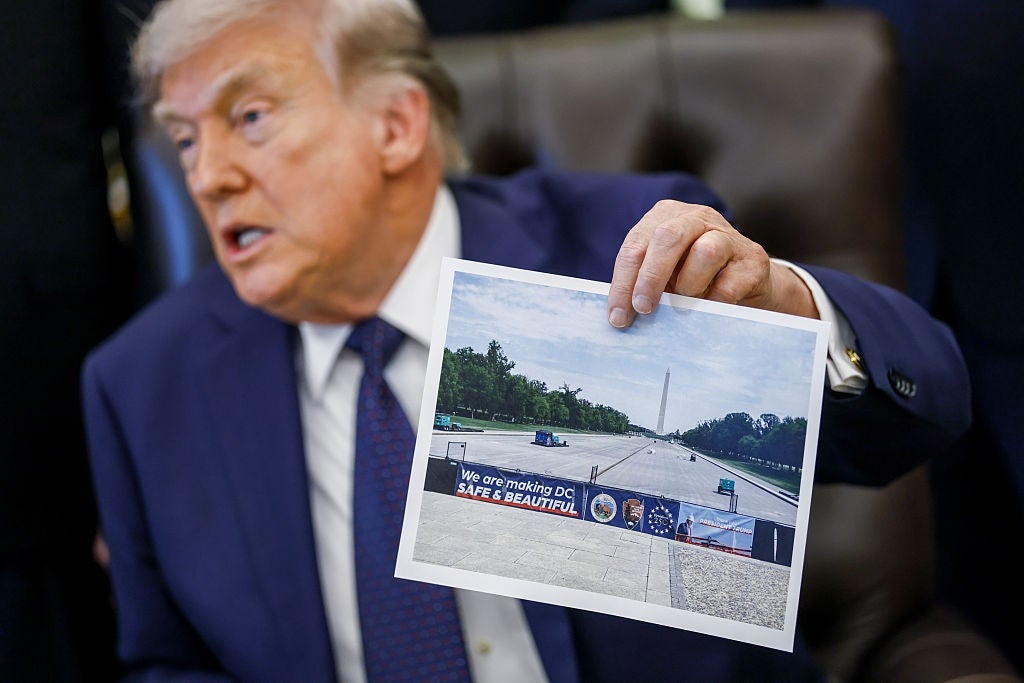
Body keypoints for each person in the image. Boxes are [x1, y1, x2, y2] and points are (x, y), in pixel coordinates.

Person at [81, 0, 970, 680]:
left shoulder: (621, 257)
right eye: (185, 139)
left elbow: (923, 414)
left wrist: (784, 309)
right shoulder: (141, 384)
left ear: (396, 125)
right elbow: (165, 660)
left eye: (250, 119)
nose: (208, 176)